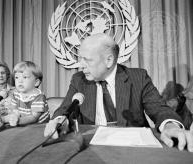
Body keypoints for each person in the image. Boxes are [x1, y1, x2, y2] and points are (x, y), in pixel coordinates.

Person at [44, 33, 193, 152]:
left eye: (87, 60)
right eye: (80, 58)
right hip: (91, 149)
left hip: (132, 151)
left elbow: (159, 108)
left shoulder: (138, 77)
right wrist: (58, 121)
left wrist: (170, 126)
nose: (80, 65)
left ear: (109, 60)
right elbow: (64, 109)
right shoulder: (79, 80)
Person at [2, 61, 49, 126]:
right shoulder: (16, 94)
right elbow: (14, 109)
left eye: (25, 77)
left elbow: (34, 117)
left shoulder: (38, 97)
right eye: (17, 77)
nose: (20, 81)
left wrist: (18, 121)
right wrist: (13, 116)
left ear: (36, 82)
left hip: (39, 126)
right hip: (24, 124)